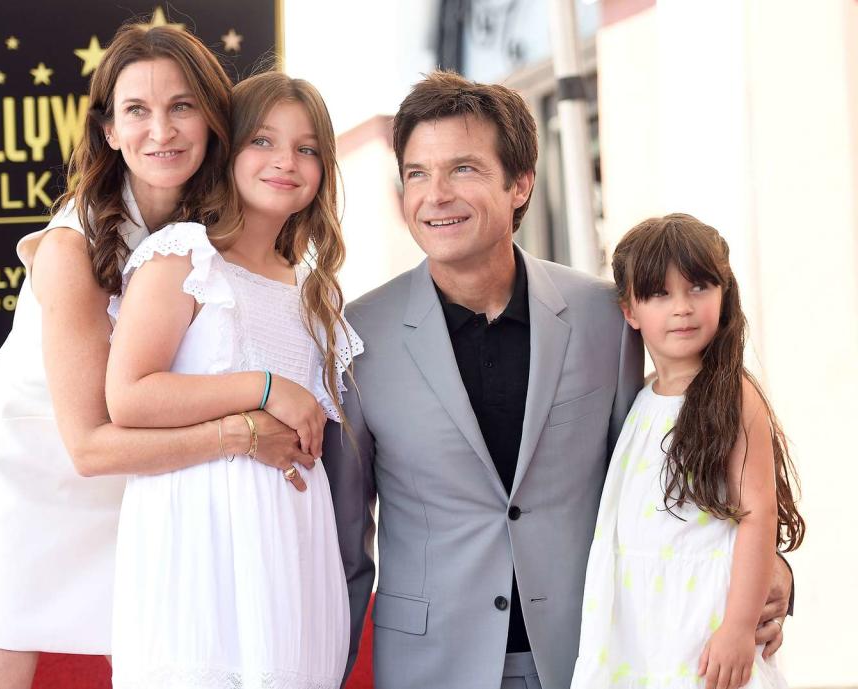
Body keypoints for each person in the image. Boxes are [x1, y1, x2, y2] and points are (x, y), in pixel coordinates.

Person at [322, 71, 792, 689]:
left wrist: (769, 568)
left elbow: (663, 474)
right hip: (430, 665)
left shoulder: (606, 316)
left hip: (592, 654)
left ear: (521, 184)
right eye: (416, 173)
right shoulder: (356, 335)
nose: (434, 195)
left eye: (462, 169)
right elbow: (341, 542)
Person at [0, 25, 308, 689]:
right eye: (136, 110)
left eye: (182, 106)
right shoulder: (70, 248)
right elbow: (88, 445)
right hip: (26, 490)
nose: (160, 130)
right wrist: (248, 424)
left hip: (147, 489)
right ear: (109, 130)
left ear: (214, 119)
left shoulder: (213, 233)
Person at [104, 71, 360, 689]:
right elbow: (128, 396)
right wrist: (264, 386)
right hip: (199, 552)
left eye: (307, 150)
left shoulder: (312, 288)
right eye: (264, 142)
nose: (286, 162)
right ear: (230, 148)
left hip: (292, 557)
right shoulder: (184, 256)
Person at [570, 214, 804, 689]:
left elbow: (758, 515)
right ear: (630, 311)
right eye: (659, 294)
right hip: (642, 630)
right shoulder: (641, 400)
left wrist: (738, 629)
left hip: (704, 625)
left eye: (698, 287)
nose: (682, 308)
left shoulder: (732, 394)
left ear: (724, 293)